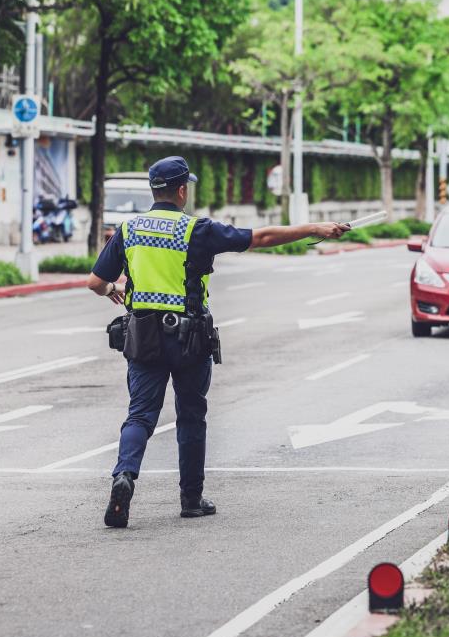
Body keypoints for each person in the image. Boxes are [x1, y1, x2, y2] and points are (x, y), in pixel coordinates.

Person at [87, 155, 349, 528]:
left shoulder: (129, 230)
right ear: (181, 190)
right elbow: (261, 237)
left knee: (140, 414)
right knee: (191, 416)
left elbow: (95, 283)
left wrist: (116, 288)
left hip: (143, 336)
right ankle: (191, 499)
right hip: (189, 338)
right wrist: (314, 229)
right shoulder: (198, 229)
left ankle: (124, 476)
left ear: (153, 190)